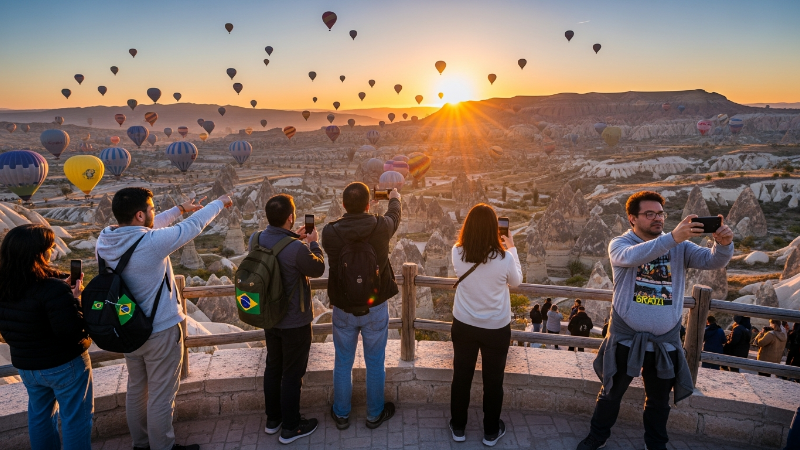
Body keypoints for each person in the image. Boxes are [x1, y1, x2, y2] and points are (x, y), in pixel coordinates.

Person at [577, 190, 733, 450]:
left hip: (664, 343)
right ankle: (597, 436)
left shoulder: (680, 246)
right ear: (632, 219)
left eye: (660, 213)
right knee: (610, 394)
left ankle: (656, 444)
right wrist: (673, 238)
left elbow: (712, 260)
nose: (657, 218)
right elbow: (633, 257)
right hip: (626, 339)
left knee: (659, 402)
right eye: (649, 214)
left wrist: (724, 244)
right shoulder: (620, 244)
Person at [96, 188, 231, 450]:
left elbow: (143, 230)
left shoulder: (105, 239)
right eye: (151, 210)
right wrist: (220, 202)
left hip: (127, 328)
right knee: (160, 395)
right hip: (160, 331)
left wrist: (178, 209)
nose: (153, 214)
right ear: (139, 215)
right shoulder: (152, 243)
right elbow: (195, 225)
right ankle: (163, 447)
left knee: (137, 390)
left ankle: (141, 444)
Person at [0, 224, 91, 449]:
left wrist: (60, 290)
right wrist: (74, 299)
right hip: (63, 365)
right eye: (49, 248)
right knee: (75, 419)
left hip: (28, 366)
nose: (52, 251)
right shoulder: (52, 289)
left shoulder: (5, 285)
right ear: (39, 253)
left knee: (40, 417)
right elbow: (71, 331)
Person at [321, 182, 401, 431]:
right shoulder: (380, 227)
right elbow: (394, 216)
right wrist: (394, 197)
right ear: (369, 204)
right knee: (375, 361)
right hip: (375, 306)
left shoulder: (329, 232)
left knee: (343, 362)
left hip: (343, 308)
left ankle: (342, 414)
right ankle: (374, 414)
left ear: (343, 205)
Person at [248, 194, 325, 444]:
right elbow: (317, 269)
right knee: (292, 374)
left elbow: (276, 253)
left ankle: (274, 420)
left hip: (269, 317)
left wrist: (294, 238)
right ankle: (291, 427)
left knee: (273, 367)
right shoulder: (296, 248)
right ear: (291, 217)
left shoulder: (255, 239)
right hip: (294, 321)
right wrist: (313, 244)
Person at [447, 204, 522, 446]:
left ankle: (458, 427)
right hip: (496, 329)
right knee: (493, 380)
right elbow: (517, 282)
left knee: (461, 377)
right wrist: (511, 247)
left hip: (464, 324)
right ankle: (490, 431)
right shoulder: (505, 259)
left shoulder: (457, 252)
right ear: (494, 229)